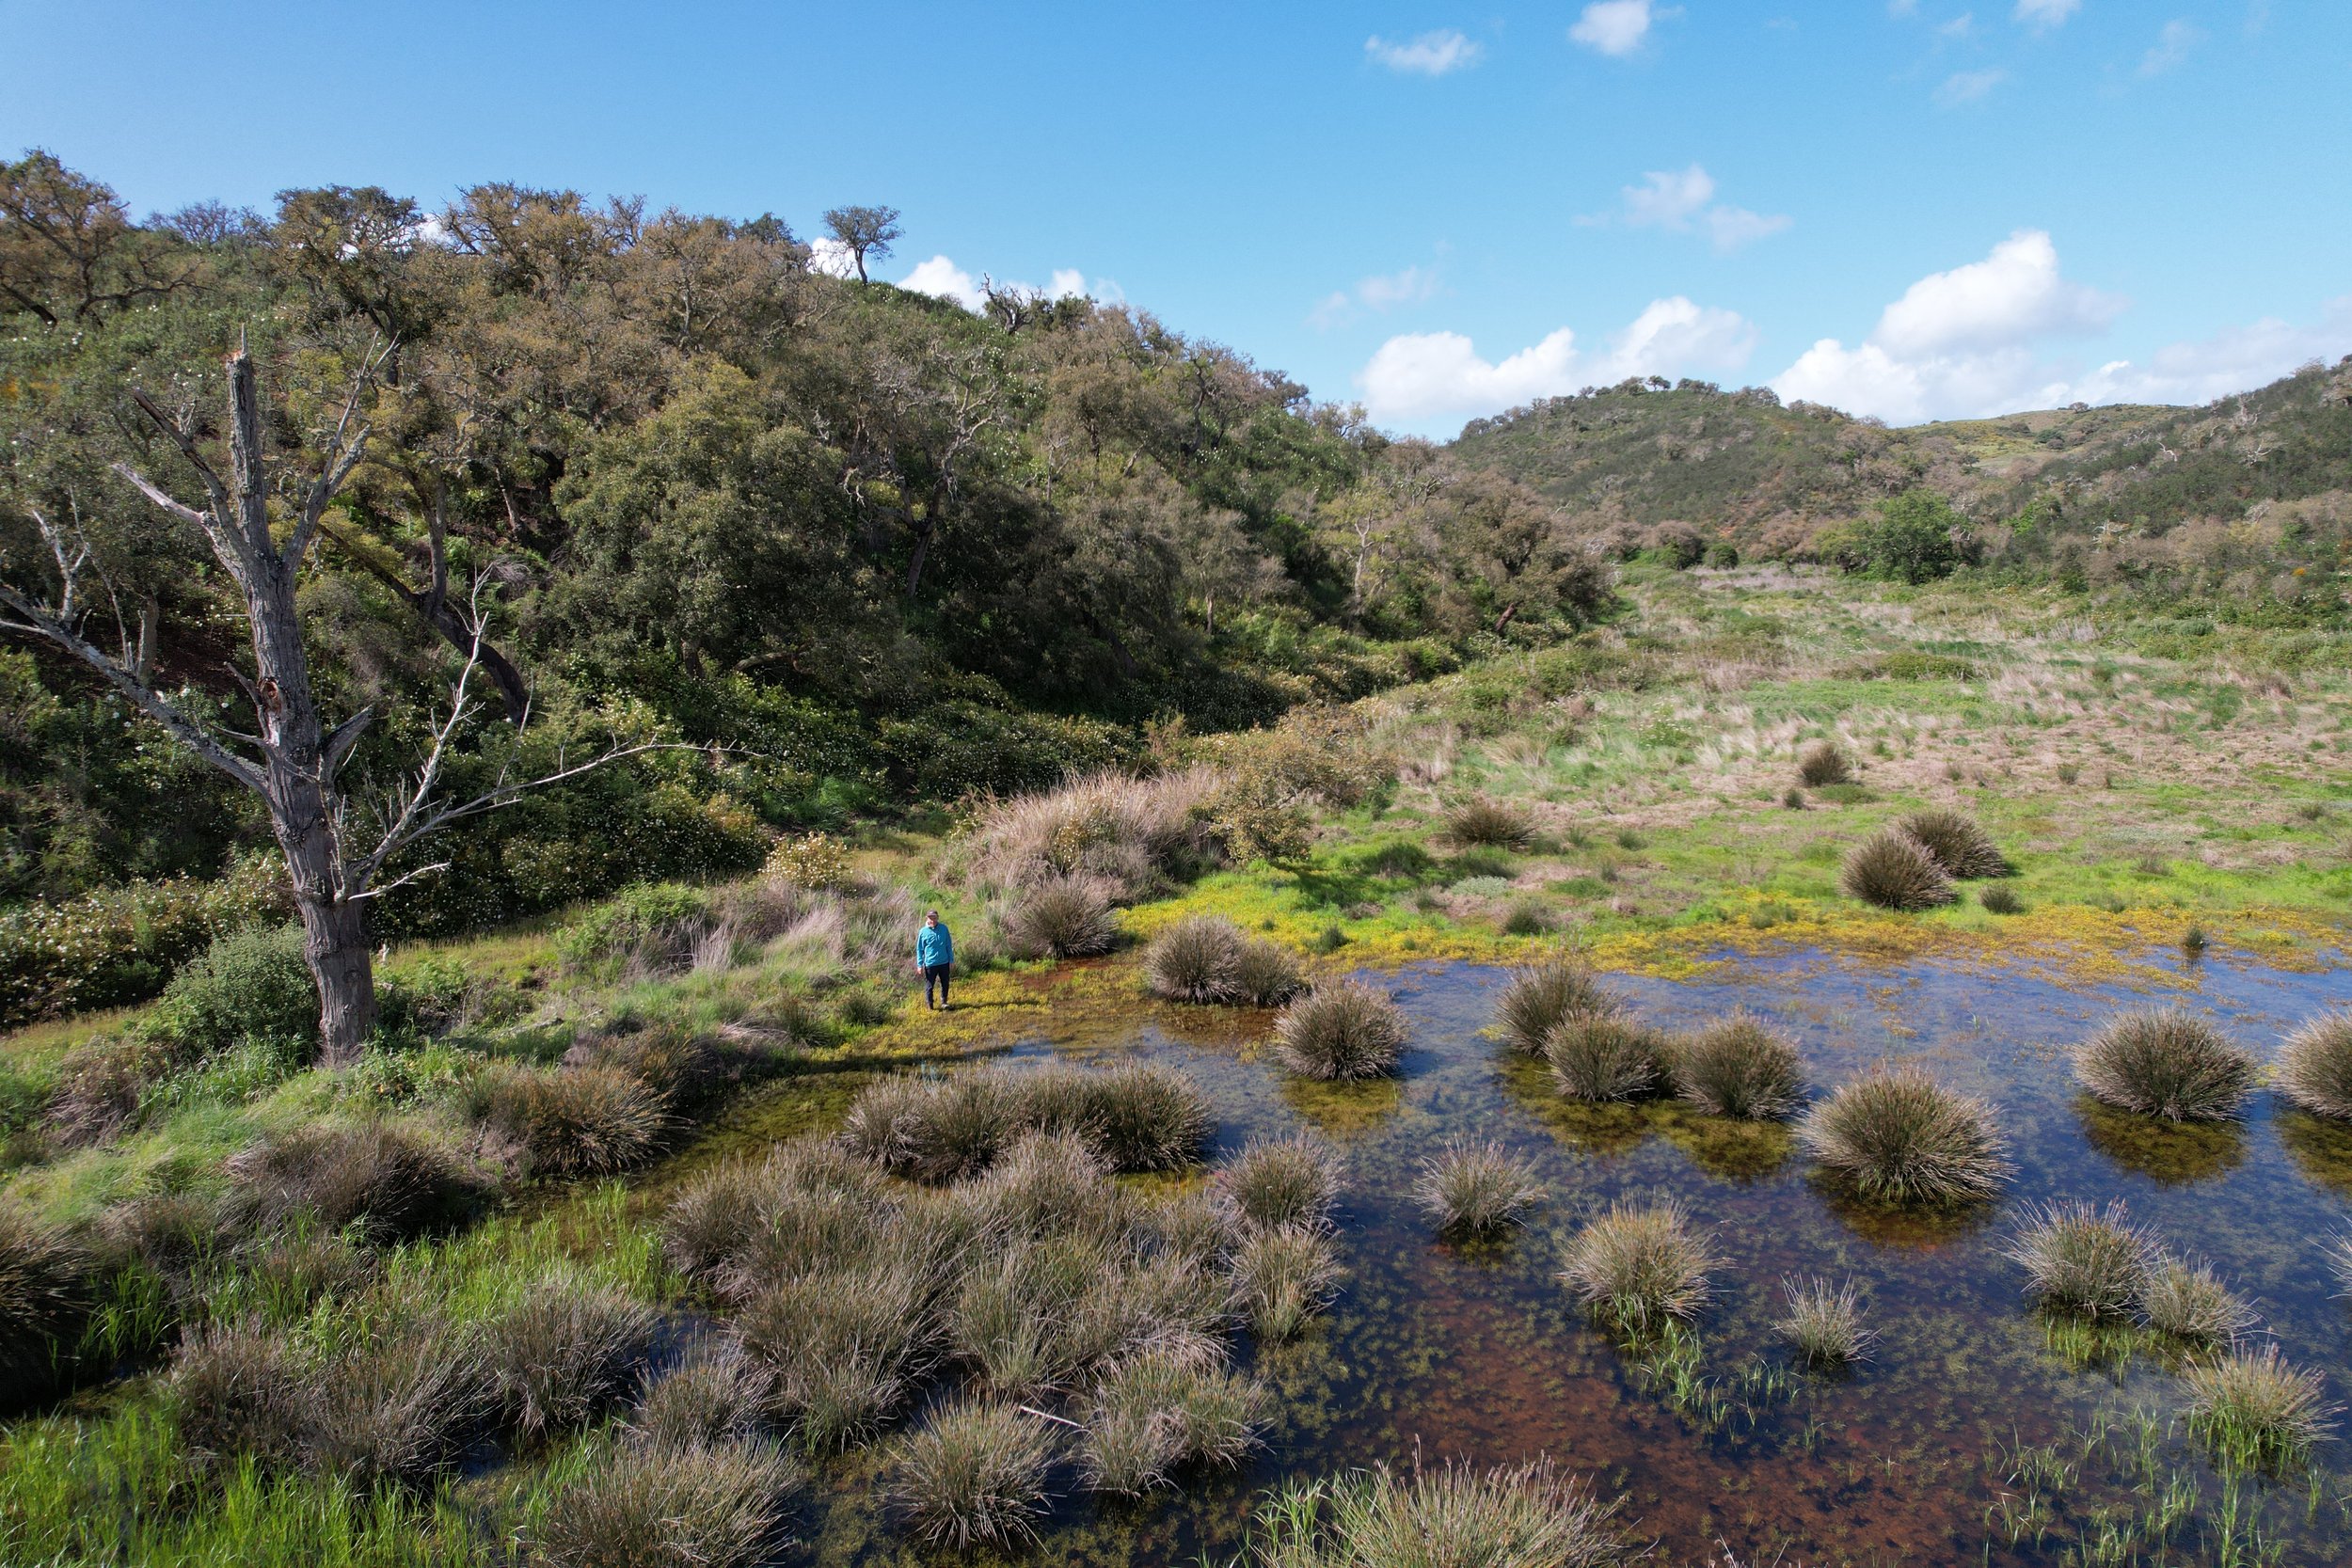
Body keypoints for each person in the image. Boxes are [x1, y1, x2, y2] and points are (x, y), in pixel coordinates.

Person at [915, 909, 955, 1010]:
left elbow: (948, 945)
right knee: (929, 986)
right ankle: (930, 1006)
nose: (932, 920)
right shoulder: (923, 932)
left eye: (934, 917)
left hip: (944, 962)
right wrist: (919, 965)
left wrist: (951, 960)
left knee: (945, 983)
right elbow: (919, 949)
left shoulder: (944, 929)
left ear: (937, 918)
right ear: (927, 918)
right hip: (930, 964)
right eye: (930, 917)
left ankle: (944, 1002)